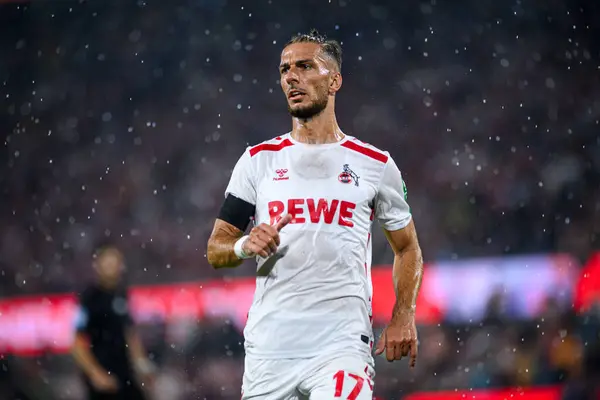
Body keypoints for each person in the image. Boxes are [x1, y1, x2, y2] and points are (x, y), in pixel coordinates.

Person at [206, 29, 424, 400]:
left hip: (340, 345)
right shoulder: (258, 161)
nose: (291, 76)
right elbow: (216, 250)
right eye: (285, 69)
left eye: (306, 66)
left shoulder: (375, 164)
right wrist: (245, 244)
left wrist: (404, 314)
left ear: (335, 80)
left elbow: (408, 248)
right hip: (270, 349)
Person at [71, 243, 155, 400]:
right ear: (97, 265)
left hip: (125, 372)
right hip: (104, 374)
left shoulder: (122, 295)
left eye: (115, 261)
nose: (112, 265)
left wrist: (142, 364)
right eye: (107, 261)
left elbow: (130, 333)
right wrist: (96, 373)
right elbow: (77, 342)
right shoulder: (89, 299)